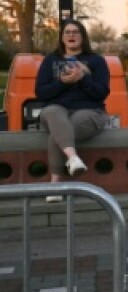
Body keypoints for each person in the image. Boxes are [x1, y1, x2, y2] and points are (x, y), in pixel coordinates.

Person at [35, 19, 110, 199]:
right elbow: (41, 93)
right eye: (67, 32)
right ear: (61, 38)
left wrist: (83, 79)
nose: (71, 35)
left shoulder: (96, 61)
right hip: (56, 110)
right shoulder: (50, 60)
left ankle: (55, 184)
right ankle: (73, 158)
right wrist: (62, 82)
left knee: (59, 133)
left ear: (83, 37)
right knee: (53, 113)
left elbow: (101, 93)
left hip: (90, 110)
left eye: (75, 32)